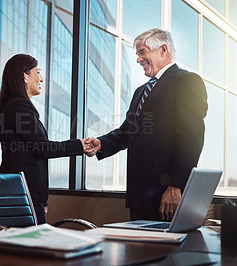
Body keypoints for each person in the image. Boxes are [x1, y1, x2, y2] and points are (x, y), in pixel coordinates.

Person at [86, 28, 208, 221]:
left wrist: (176, 185)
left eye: (142, 52)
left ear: (163, 50)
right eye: (137, 54)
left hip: (166, 193)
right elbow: (127, 131)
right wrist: (101, 143)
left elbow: (192, 138)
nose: (138, 59)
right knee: (141, 249)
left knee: (168, 249)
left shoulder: (187, 81)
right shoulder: (141, 91)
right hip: (139, 194)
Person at [0, 54, 94, 224]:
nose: (41, 78)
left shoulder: (16, 105)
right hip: (21, 197)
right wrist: (80, 145)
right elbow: (42, 148)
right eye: (37, 72)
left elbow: (31, 157)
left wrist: (42, 201)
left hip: (26, 196)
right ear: (24, 76)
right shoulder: (18, 105)